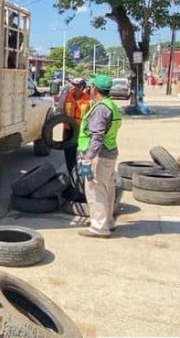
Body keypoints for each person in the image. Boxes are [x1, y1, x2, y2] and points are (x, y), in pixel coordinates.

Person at [76, 75, 123, 238]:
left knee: (96, 191)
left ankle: (99, 227)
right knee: (107, 189)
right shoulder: (112, 105)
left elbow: (97, 136)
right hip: (110, 152)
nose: (89, 89)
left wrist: (88, 157)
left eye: (91, 87)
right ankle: (108, 222)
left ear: (94, 89)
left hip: (99, 155)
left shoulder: (100, 109)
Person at [61, 78, 91, 175]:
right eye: (72, 84)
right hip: (68, 132)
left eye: (75, 85)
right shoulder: (66, 97)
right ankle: (72, 178)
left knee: (82, 156)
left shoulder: (88, 100)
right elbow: (59, 111)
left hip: (82, 132)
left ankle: (82, 178)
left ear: (81, 88)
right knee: (69, 156)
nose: (72, 87)